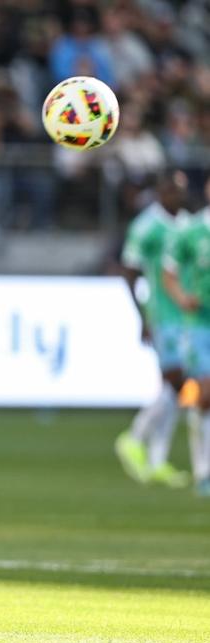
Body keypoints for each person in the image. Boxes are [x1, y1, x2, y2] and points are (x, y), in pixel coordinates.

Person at [115, 171, 190, 488]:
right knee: (177, 381)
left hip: (190, 316)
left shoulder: (189, 223)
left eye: (182, 189)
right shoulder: (145, 227)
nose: (178, 195)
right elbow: (130, 272)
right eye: (172, 189)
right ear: (160, 191)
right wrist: (141, 316)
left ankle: (158, 459)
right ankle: (134, 437)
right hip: (162, 313)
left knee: (173, 387)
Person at [163, 176, 210, 497]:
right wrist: (181, 298)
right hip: (199, 323)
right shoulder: (191, 230)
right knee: (205, 394)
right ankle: (203, 470)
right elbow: (169, 273)